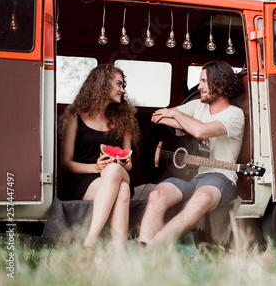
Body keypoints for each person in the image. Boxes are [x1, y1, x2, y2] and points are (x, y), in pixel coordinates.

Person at [139, 61, 244, 246]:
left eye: (204, 81)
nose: (200, 87)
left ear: (219, 84)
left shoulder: (235, 115)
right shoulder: (197, 107)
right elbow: (157, 117)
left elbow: (202, 131)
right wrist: (190, 131)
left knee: (200, 200)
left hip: (220, 176)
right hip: (190, 175)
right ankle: (144, 243)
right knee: (157, 195)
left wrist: (182, 118)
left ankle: (151, 249)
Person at [60, 65, 140, 250]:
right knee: (123, 190)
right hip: (84, 180)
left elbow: (129, 165)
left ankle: (90, 240)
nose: (122, 90)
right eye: (118, 84)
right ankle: (118, 252)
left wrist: (121, 164)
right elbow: (65, 163)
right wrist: (96, 168)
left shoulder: (125, 119)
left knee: (114, 171)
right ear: (103, 85)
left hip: (119, 172)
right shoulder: (74, 117)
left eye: (123, 85)